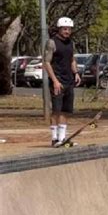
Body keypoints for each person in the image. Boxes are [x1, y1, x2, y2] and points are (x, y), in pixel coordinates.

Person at [43, 17, 81, 147]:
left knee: (65, 110)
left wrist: (76, 73)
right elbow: (47, 62)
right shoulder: (52, 43)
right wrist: (54, 81)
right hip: (57, 81)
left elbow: (72, 60)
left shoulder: (71, 43)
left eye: (69, 29)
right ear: (59, 29)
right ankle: (54, 139)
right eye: (65, 29)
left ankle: (62, 138)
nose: (67, 31)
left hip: (69, 80)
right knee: (56, 110)